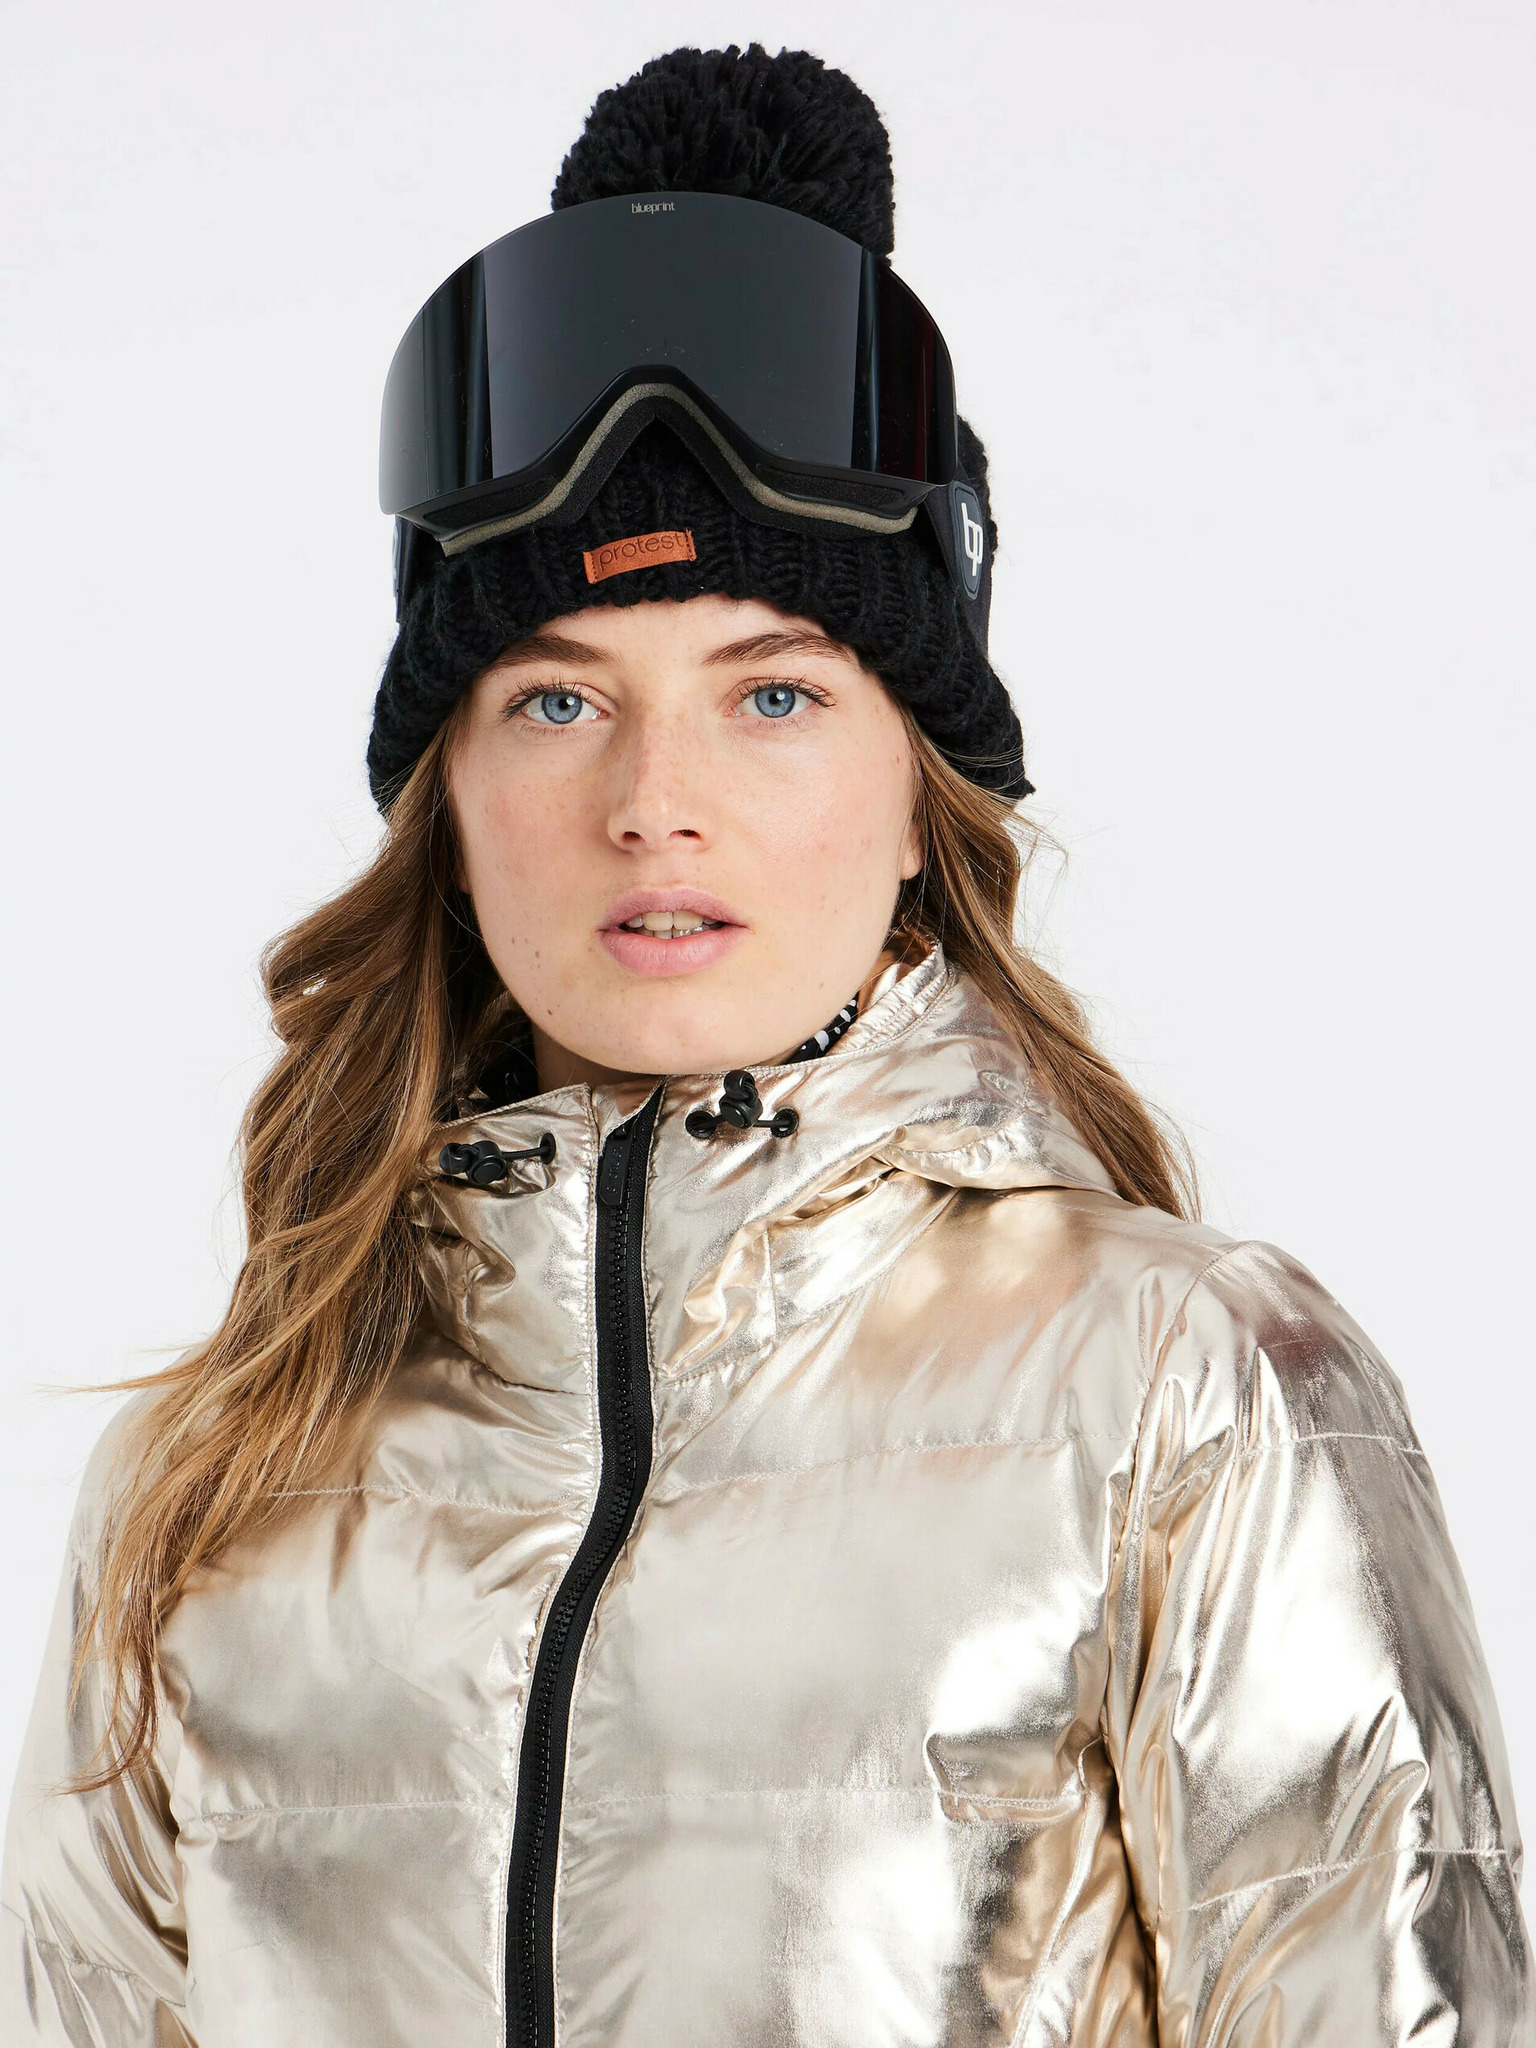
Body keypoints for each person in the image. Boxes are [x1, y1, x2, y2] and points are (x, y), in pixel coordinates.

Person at [2, 43, 1528, 2048]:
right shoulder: (211, 1480)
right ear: (450, 801)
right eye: (556, 701)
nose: (656, 802)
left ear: (918, 799)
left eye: (775, 695)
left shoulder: (1183, 1387)